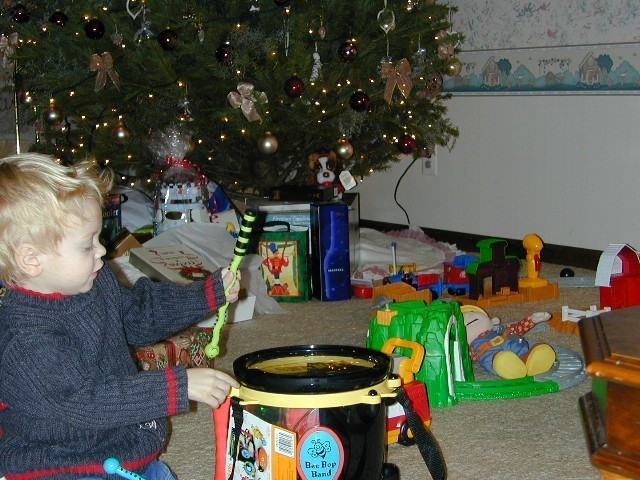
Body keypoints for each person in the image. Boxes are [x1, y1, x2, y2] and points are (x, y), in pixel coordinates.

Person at [0, 153, 241, 479]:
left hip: (120, 446)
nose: (102, 250)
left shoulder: (95, 280)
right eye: (87, 246)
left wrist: (206, 295)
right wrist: (178, 386)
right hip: (62, 464)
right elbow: (87, 401)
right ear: (31, 260)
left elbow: (139, 313)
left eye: (97, 238)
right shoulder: (25, 339)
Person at [461, 305, 556, 379]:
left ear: (492, 321)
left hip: (510, 342)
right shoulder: (470, 345)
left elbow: (519, 328)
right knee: (497, 358)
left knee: (519, 345)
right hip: (492, 353)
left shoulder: (499, 329)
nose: (468, 316)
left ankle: (531, 360)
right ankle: (509, 367)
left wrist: (532, 319)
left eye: (472, 312)